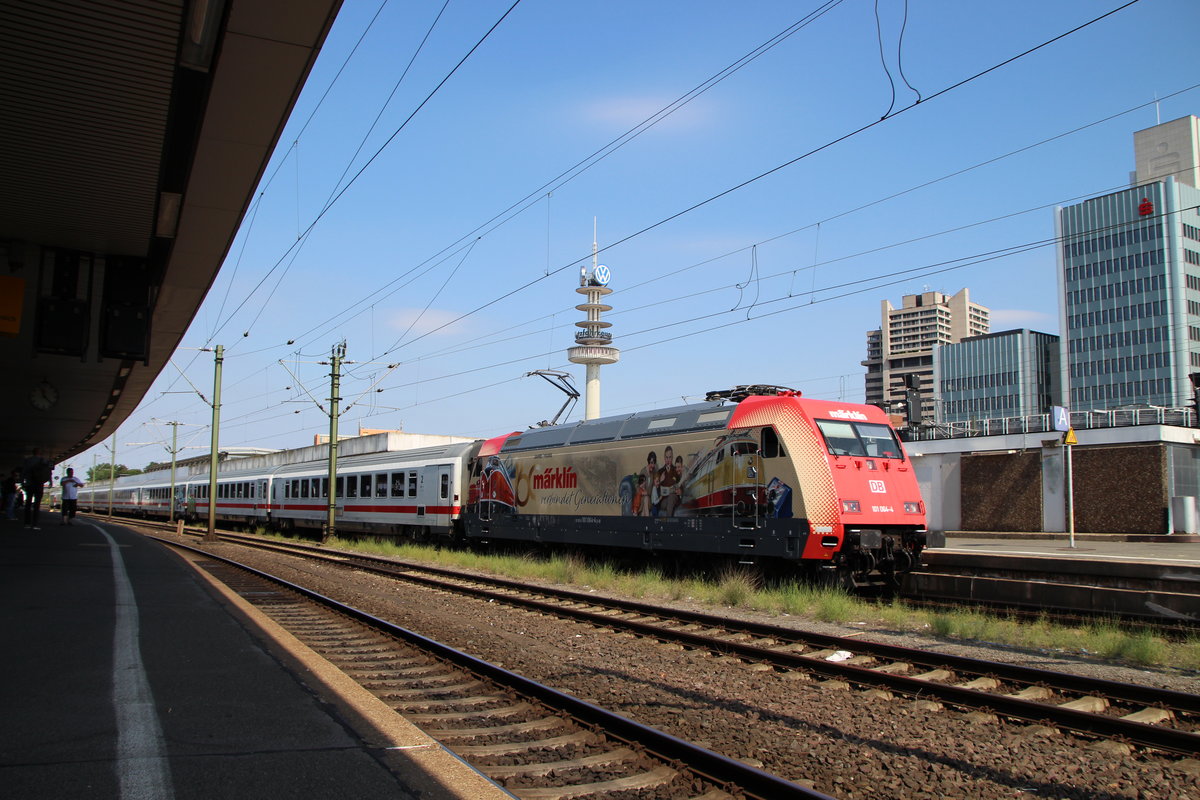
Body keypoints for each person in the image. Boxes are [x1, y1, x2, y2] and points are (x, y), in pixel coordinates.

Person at [21, 448, 53, 530]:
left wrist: (22, 482)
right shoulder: (43, 460)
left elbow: (23, 472)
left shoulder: (28, 460)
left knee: (28, 504)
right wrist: (50, 481)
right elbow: (48, 471)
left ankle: (27, 524)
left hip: (29, 483)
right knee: (37, 505)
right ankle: (35, 524)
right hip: (39, 484)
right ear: (40, 453)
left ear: (33, 453)